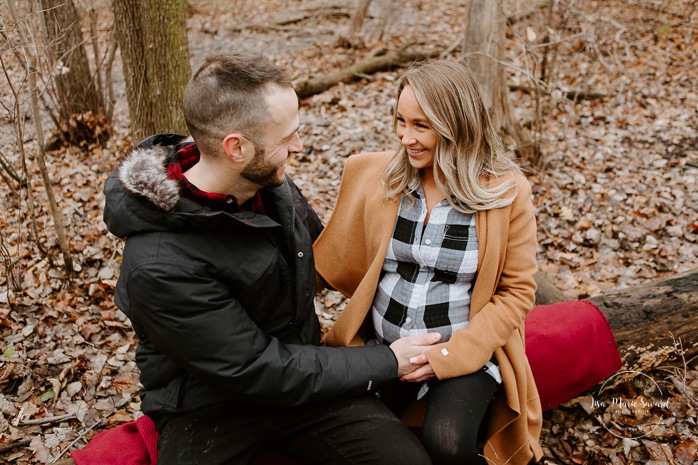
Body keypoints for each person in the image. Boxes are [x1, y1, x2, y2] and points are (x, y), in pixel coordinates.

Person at [103, 53, 440, 465]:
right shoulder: (158, 265)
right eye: (287, 138)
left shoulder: (264, 179)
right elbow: (259, 369)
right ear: (236, 147)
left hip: (307, 378)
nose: (298, 147)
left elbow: (325, 255)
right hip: (211, 410)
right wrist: (388, 361)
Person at [313, 60, 543, 465]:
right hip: (384, 348)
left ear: (458, 125)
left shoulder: (506, 193)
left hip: (463, 348)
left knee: (447, 442)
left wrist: (450, 358)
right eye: (400, 121)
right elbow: (326, 260)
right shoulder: (380, 178)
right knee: (352, 434)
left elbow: (517, 291)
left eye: (421, 125)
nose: (405, 137)